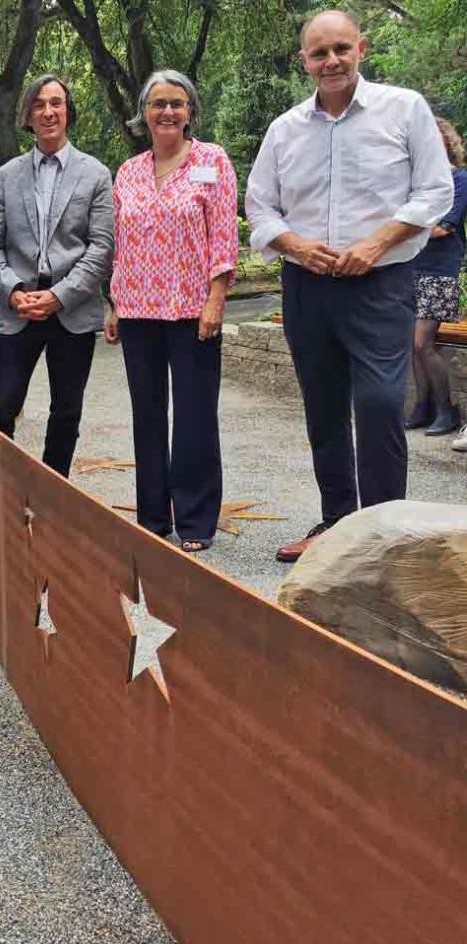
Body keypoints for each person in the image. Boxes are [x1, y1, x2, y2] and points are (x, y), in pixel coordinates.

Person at [246, 9, 453, 563]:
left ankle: (384, 538)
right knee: (322, 406)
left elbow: (434, 191)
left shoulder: (404, 109)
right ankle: (336, 525)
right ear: (305, 61)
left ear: (360, 48)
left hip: (381, 284)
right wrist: (295, 246)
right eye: (320, 53)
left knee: (381, 403)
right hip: (306, 287)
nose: (331, 60)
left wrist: (376, 244)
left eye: (341, 48)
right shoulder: (285, 129)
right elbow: (260, 205)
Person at [104, 70, 238, 553]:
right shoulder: (129, 171)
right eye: (158, 103)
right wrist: (115, 302)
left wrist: (216, 298)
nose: (167, 111)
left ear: (190, 111)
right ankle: (154, 517)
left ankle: (197, 521)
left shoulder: (212, 162)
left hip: (191, 309)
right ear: (143, 112)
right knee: (147, 416)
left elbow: (224, 237)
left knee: (195, 414)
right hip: (138, 308)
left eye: (176, 103)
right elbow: (122, 245)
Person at [0, 74, 114, 477]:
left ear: (68, 111)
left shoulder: (95, 174)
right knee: (0, 405)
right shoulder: (8, 175)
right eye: (39, 104)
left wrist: (60, 295)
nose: (48, 111)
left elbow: (101, 248)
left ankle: (52, 492)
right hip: (17, 308)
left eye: (56, 102)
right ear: (28, 114)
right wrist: (13, 291)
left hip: (71, 310)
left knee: (66, 411)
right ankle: (1, 488)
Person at [405, 118, 467, 438]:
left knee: (423, 342)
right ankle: (423, 407)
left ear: (447, 145)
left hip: (439, 271)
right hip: (412, 268)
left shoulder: (459, 179)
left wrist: (406, 229)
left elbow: (444, 228)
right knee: (413, 345)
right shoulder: (419, 185)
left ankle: (447, 410)